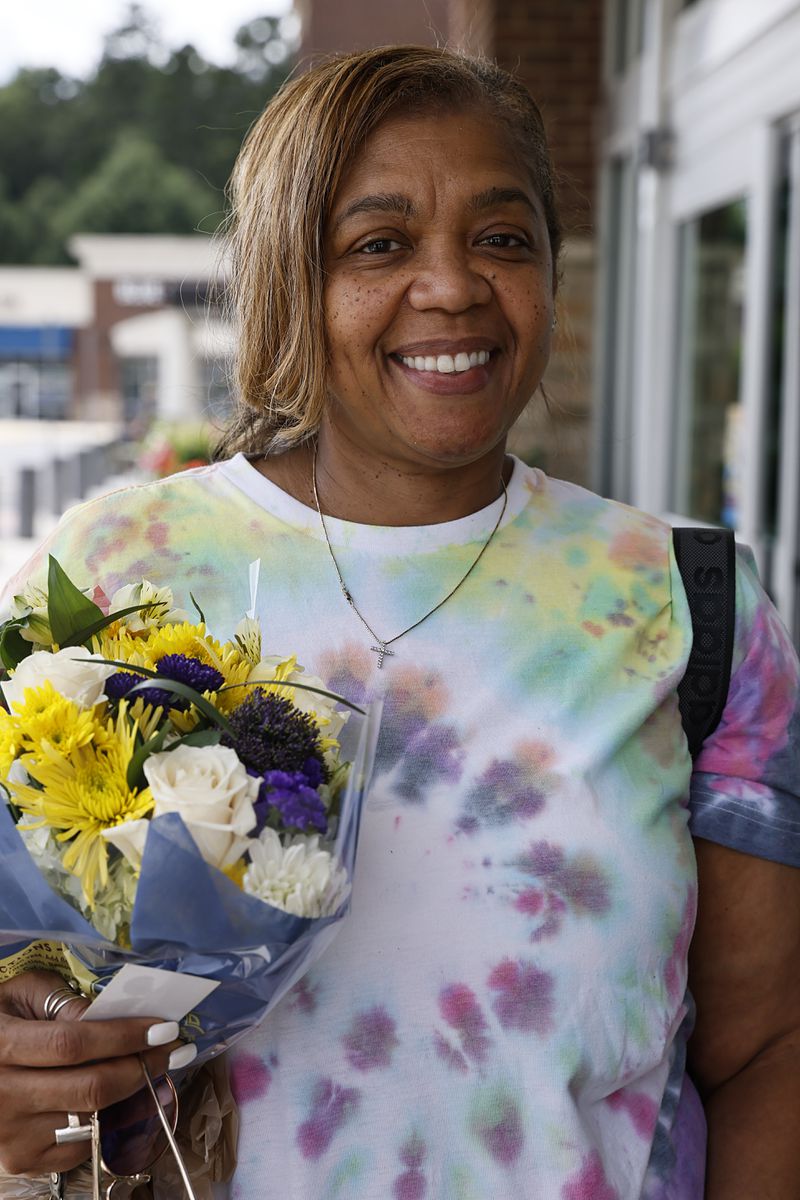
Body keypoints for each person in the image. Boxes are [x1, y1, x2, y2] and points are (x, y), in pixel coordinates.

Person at [1, 44, 799, 1200]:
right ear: (289, 279)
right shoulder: (120, 571)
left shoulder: (682, 602)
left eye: (501, 237)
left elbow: (765, 1052)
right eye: (378, 244)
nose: (452, 286)